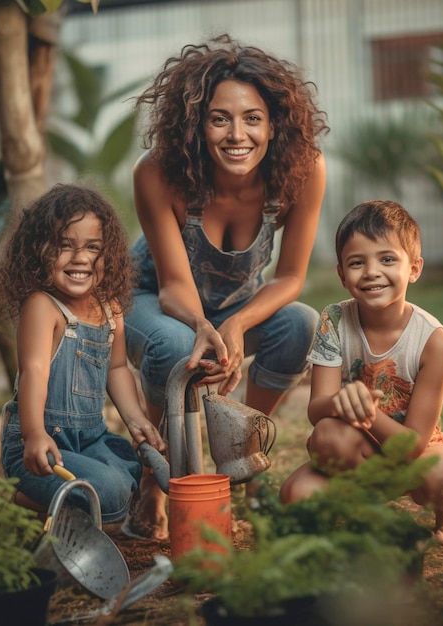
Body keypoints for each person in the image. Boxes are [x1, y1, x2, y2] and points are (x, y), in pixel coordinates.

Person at [124, 34, 329, 539]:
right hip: (154, 300)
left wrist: (236, 324)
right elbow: (173, 285)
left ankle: (239, 453)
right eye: (220, 118)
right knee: (174, 347)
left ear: (275, 122)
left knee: (300, 323)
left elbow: (290, 277)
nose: (238, 134)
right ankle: (156, 475)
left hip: (232, 304)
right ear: (196, 123)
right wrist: (202, 327)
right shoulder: (159, 174)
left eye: (252, 118)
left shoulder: (301, 172)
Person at [279, 200, 443, 549]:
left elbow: (413, 446)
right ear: (341, 274)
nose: (371, 272)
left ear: (414, 268)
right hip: (357, 452)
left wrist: (366, 413)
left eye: (387, 259)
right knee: (298, 491)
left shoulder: (433, 340)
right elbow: (316, 410)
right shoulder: (334, 321)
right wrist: (341, 402)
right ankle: (362, 506)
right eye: (357, 262)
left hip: (415, 453)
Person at [0, 183, 165, 526]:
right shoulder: (43, 306)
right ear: (38, 251)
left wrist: (136, 419)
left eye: (92, 247)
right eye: (64, 246)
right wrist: (34, 434)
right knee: (108, 492)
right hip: (41, 442)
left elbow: (116, 369)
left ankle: (65, 505)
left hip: (90, 437)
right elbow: (34, 371)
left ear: (108, 254)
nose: (80, 258)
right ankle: (19, 499)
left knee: (128, 471)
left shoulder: (109, 307)